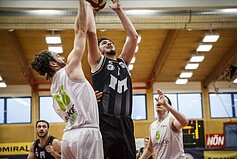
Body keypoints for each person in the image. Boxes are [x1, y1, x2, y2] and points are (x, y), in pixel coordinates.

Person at [30, 0, 104, 158]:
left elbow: (74, 107)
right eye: (57, 56)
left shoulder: (53, 89)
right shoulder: (70, 69)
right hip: (87, 133)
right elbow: (80, 32)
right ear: (52, 63)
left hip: (69, 137)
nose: (62, 56)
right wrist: (84, 3)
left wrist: (89, 98)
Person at [86, 0, 139, 158]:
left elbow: (133, 36)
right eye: (103, 43)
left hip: (126, 122)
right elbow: (91, 34)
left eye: (110, 42)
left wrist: (119, 10)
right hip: (106, 121)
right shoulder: (97, 62)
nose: (108, 43)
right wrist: (91, 10)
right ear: (98, 50)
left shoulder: (123, 63)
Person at [140, 90, 189, 159]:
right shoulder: (152, 126)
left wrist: (166, 105)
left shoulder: (171, 120)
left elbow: (184, 122)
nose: (159, 102)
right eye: (158, 100)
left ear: (168, 107)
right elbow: (149, 149)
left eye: (163, 101)